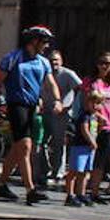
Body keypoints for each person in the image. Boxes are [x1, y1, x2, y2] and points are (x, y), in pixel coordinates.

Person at [0, 26, 61, 204]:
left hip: (32, 107)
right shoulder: (12, 58)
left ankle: (0, 185)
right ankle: (31, 188)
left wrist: (57, 100)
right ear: (33, 41)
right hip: (16, 105)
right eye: (44, 42)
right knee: (26, 146)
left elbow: (50, 82)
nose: (46, 46)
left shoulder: (43, 62)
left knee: (17, 148)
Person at [39, 49, 81, 186]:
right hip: (45, 112)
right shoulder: (44, 72)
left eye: (56, 60)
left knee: (58, 144)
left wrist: (69, 107)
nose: (53, 63)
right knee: (40, 142)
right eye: (51, 60)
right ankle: (44, 170)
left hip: (61, 114)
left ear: (61, 61)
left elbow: (81, 88)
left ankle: (58, 172)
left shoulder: (68, 74)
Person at [85, 51, 110, 203]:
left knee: (102, 160)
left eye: (107, 63)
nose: (104, 66)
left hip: (109, 125)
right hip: (95, 123)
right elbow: (87, 102)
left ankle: (95, 191)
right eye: (101, 62)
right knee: (90, 157)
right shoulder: (92, 81)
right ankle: (82, 190)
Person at [63, 90, 101, 207]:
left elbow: (95, 130)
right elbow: (84, 129)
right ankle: (70, 195)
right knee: (74, 171)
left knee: (85, 172)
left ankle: (81, 193)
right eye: (93, 103)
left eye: (98, 103)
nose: (95, 106)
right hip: (80, 146)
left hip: (89, 148)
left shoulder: (94, 117)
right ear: (87, 102)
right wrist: (91, 141)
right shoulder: (84, 116)